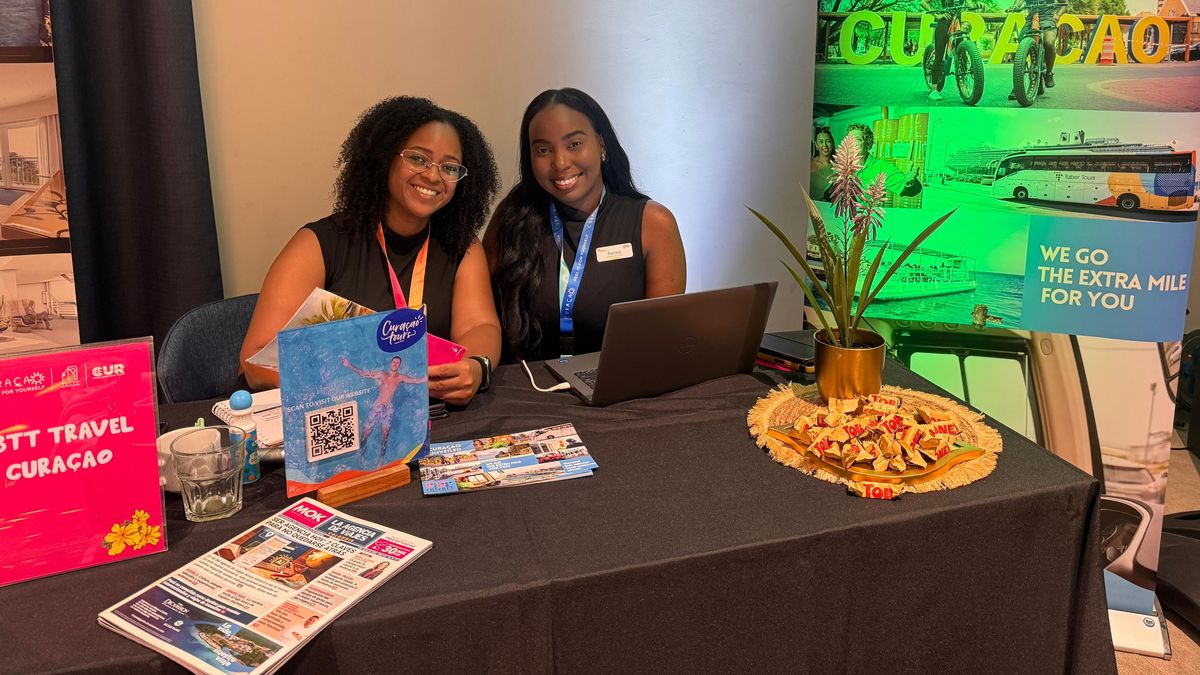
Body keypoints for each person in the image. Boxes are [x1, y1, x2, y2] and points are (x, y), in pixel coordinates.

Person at [239, 96, 501, 405]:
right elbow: (257, 357)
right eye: (418, 158)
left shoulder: (462, 246)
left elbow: (478, 326)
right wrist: (344, 388)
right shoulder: (318, 243)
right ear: (384, 158)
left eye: (449, 167)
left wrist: (474, 367)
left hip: (424, 415)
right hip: (332, 416)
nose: (433, 176)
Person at [484, 88, 686, 362]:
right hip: (528, 390)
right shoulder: (510, 220)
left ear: (601, 145)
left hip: (617, 390)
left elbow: (659, 341)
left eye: (574, 144)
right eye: (543, 150)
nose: (560, 162)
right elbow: (483, 321)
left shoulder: (652, 224)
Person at [811, 123, 922, 204]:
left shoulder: (882, 167)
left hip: (867, 224)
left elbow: (912, 191)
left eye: (858, 139)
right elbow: (829, 195)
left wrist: (910, 183)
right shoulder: (842, 166)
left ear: (868, 144)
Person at [342, 356, 426, 458]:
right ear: (390, 363)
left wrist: (427, 376)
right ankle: (361, 454)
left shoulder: (400, 377)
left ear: (399, 366)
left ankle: (381, 459)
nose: (395, 364)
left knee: (385, 435)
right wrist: (349, 365)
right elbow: (364, 374)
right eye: (394, 362)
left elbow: (417, 381)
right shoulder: (382, 374)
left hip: (388, 409)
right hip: (377, 406)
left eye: (397, 363)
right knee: (365, 433)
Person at [1007, 0, 1068, 101]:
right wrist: (1015, 6)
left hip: (1047, 18)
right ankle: (1018, 86)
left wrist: (1057, 15)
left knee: (1048, 42)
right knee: (1022, 44)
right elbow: (1019, 0)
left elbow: (1065, 4)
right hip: (1031, 19)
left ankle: (1049, 73)